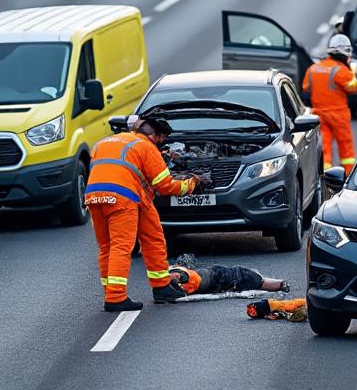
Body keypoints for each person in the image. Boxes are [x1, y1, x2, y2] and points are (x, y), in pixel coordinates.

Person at [85, 114, 201, 311]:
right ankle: (116, 298)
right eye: (163, 139)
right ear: (157, 136)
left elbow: (119, 171)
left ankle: (158, 286)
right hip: (123, 197)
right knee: (122, 246)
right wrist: (191, 185)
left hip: (94, 196)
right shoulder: (146, 147)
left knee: (110, 246)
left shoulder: (105, 142)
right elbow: (165, 185)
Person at [303, 34, 357, 175]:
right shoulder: (341, 70)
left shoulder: (313, 69)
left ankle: (326, 177)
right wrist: (353, 72)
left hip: (318, 114)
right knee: (346, 147)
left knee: (324, 147)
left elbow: (306, 88)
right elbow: (352, 88)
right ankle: (347, 175)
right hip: (338, 114)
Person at [169, 253, 288, 295]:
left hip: (217, 277)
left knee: (250, 278)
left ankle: (280, 284)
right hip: (218, 277)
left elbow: (177, 276)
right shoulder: (183, 275)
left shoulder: (181, 274)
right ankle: (280, 284)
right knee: (247, 277)